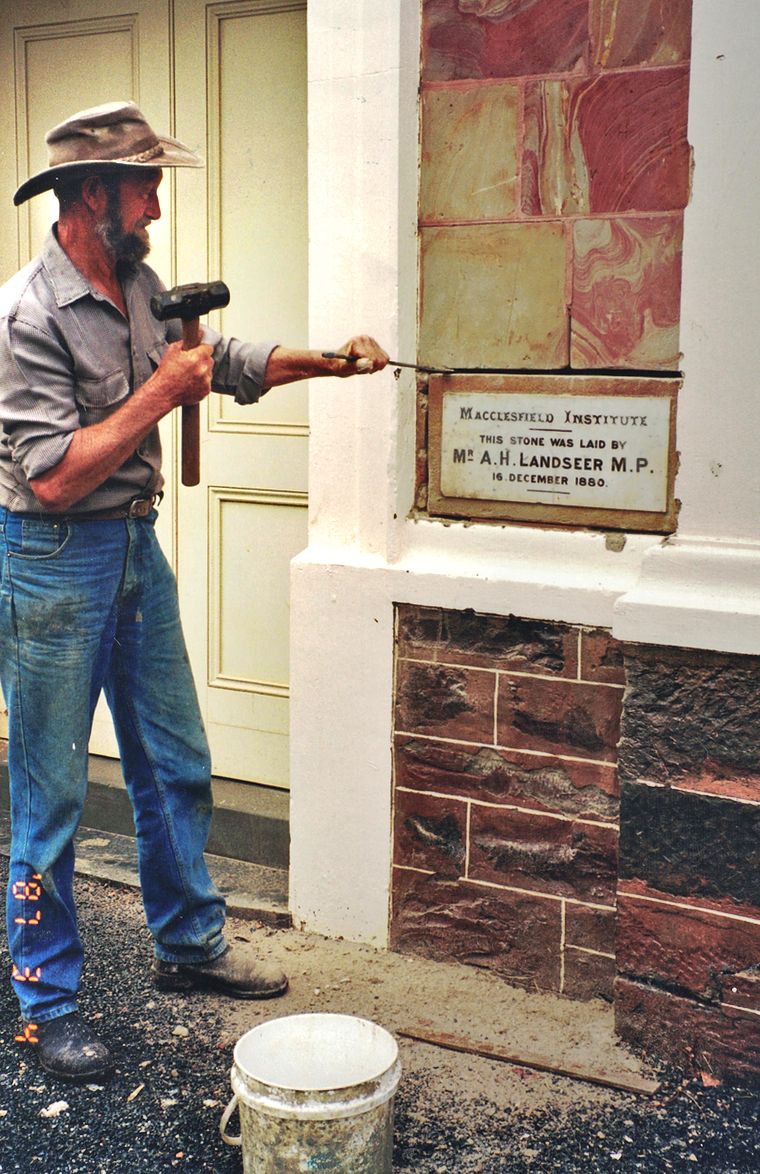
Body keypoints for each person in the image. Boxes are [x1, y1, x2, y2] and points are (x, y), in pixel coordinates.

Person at [0, 101, 388, 1083]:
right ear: (95, 196)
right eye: (146, 186)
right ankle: (44, 1001)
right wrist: (161, 396)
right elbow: (52, 473)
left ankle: (188, 945)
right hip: (51, 554)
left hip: (132, 549)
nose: (158, 208)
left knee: (173, 759)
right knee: (49, 793)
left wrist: (325, 362)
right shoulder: (26, 316)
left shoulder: (136, 282)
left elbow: (209, 364)